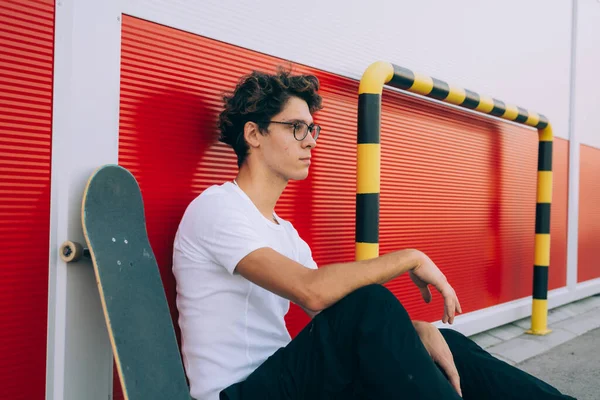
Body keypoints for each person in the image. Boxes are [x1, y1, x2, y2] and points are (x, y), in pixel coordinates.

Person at [172, 68, 574, 400]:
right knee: (370, 303)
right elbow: (314, 291)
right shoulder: (218, 208)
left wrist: (415, 330)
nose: (310, 141)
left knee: (440, 341)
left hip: (291, 382)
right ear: (254, 134)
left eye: (313, 129)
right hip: (238, 393)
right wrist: (410, 257)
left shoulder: (287, 234)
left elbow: (332, 316)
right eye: (296, 128)